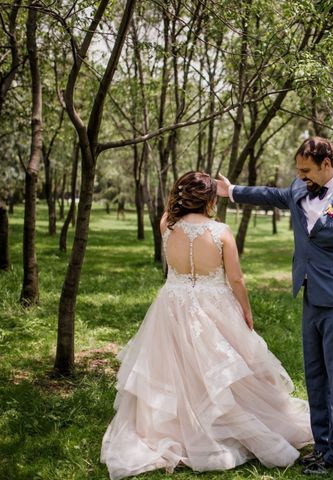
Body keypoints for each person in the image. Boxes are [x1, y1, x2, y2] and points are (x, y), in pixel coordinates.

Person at [101, 171, 313, 480]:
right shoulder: (221, 232)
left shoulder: (165, 224)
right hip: (214, 305)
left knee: (174, 368)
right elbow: (236, 279)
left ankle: (175, 427)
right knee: (223, 368)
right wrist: (246, 310)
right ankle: (218, 425)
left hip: (172, 305)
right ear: (211, 200)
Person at [217, 136, 333, 475]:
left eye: (307, 170)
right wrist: (232, 191)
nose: (301, 176)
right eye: (298, 171)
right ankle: (322, 448)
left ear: (327, 164)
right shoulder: (299, 189)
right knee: (316, 377)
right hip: (311, 299)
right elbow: (272, 194)